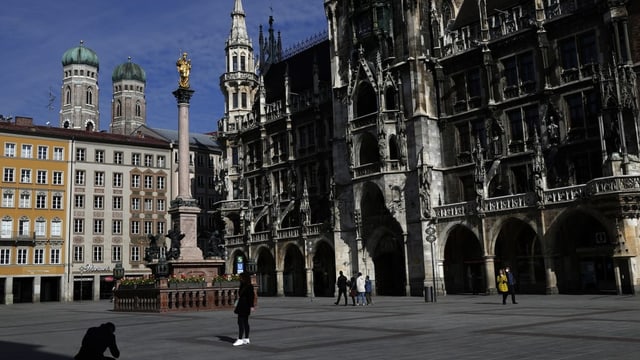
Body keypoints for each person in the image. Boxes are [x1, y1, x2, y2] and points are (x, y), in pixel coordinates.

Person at [233, 272, 255, 346]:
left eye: (241, 277)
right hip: (242, 304)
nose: (240, 278)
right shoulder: (242, 285)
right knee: (244, 322)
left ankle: (240, 339)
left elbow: (251, 296)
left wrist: (252, 306)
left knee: (241, 322)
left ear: (244, 278)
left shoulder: (249, 286)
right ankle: (246, 338)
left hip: (245, 305)